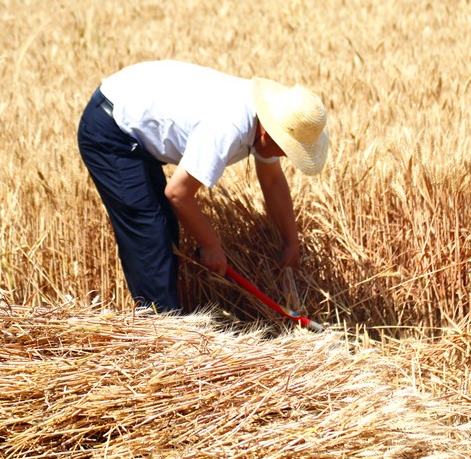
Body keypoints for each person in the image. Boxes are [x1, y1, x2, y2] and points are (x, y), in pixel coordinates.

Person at [77, 60, 329, 312]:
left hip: (129, 114)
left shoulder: (268, 118)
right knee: (150, 231)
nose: (285, 156)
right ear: (268, 135)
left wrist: (291, 243)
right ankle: (159, 332)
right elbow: (177, 194)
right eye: (287, 149)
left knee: (164, 226)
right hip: (111, 129)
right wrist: (210, 244)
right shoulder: (229, 127)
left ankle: (164, 320)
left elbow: (272, 181)